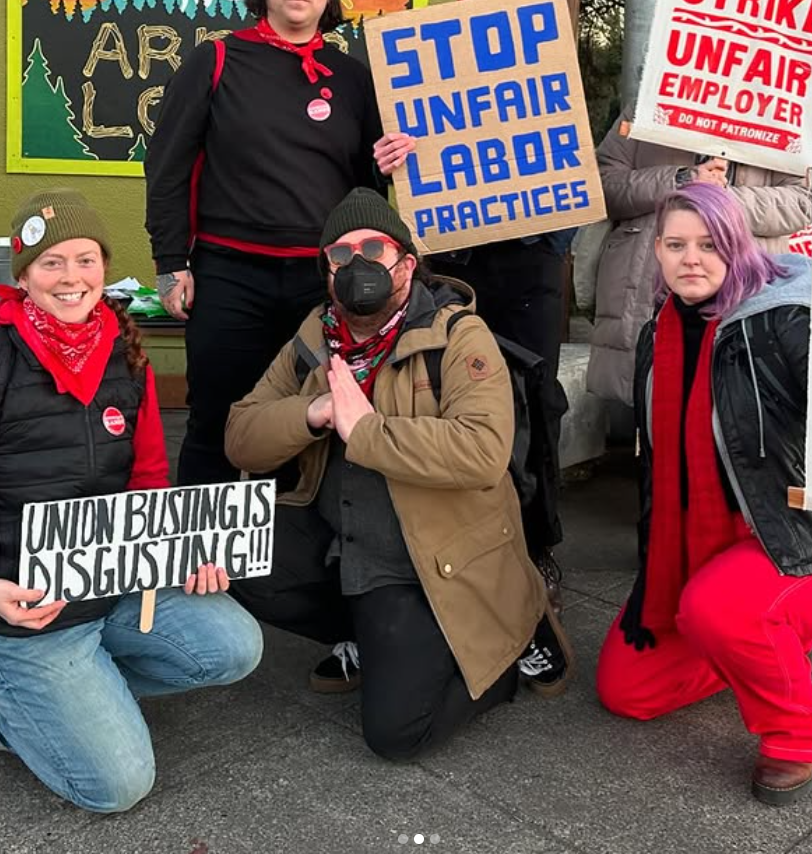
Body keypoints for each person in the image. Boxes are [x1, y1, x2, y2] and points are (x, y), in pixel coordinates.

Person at [226, 188, 573, 761]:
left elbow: (483, 449)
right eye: (339, 255)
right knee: (234, 554)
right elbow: (241, 434)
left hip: (425, 553)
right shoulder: (315, 336)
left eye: (371, 249)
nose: (355, 266)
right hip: (342, 535)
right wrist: (313, 413)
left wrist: (364, 430)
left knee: (396, 734)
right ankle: (371, 636)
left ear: (406, 264)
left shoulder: (458, 334)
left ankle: (509, 649)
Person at [0, 190, 263, 809]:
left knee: (236, 646)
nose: (71, 278)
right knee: (115, 787)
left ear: (104, 266)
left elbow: (149, 477)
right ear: (22, 277)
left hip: (109, 585)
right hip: (17, 610)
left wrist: (179, 552)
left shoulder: (128, 358)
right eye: (51, 263)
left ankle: (78, 688)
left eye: (86, 259)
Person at [595, 183, 812, 805]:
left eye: (709, 243)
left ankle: (797, 728)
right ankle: (750, 646)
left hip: (800, 545)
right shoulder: (659, 333)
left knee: (719, 610)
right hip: (697, 552)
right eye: (675, 245)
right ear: (659, 253)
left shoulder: (787, 319)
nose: (690, 259)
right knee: (626, 692)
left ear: (737, 245)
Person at [373, 0, 572, 591]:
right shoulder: (422, 47)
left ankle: (537, 543)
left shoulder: (550, 42)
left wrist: (557, 233)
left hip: (529, 257)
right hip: (450, 260)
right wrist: (390, 156)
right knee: (448, 396)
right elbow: (394, 151)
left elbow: (570, 148)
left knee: (537, 399)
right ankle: (450, 543)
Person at [146, 0, 383, 488]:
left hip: (321, 283)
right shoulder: (218, 60)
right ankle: (201, 561)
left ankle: (289, 560)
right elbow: (167, 167)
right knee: (219, 417)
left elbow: (369, 186)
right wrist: (170, 263)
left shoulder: (355, 79)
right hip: (229, 277)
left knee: (312, 421)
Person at [587, 110, 812, 419]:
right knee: (655, 409)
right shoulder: (649, 102)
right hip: (651, 285)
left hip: (746, 290)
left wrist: (723, 201)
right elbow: (600, 184)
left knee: (737, 416)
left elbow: (805, 200)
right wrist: (681, 179)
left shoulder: (782, 110)